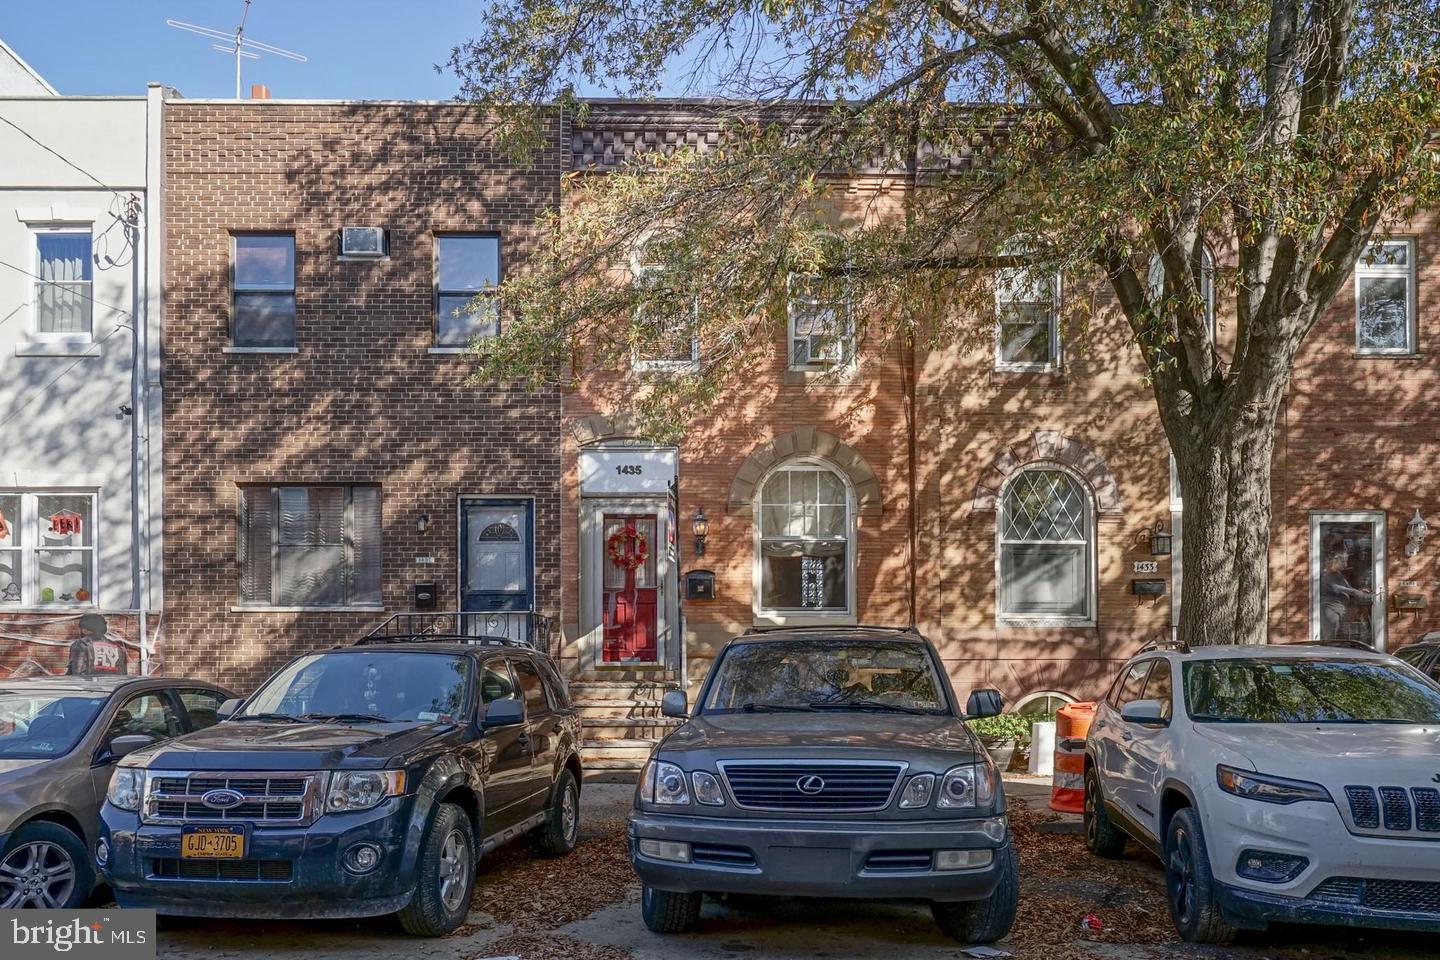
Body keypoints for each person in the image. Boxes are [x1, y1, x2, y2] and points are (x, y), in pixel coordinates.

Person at [1319, 550, 1374, 643]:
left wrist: (1360, 591)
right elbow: (1337, 588)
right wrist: (1357, 593)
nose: (1346, 564)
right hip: (1331, 608)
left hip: (1342, 609)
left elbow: (1347, 587)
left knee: (1343, 636)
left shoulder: (1338, 574)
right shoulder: (1325, 575)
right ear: (1335, 561)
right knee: (1331, 635)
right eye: (1343, 561)